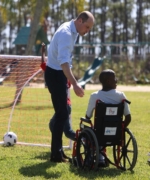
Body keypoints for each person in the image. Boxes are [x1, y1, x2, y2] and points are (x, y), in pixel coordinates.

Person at [44, 11, 95, 163]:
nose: (87, 31)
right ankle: (56, 154)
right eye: (87, 27)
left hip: (58, 74)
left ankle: (57, 151)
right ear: (79, 21)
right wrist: (75, 84)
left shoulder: (72, 29)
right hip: (55, 74)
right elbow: (64, 63)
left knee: (63, 113)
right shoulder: (66, 33)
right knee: (62, 114)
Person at [85, 69, 131, 166]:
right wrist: (120, 129)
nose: (116, 80)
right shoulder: (121, 96)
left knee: (87, 133)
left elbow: (88, 116)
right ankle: (101, 158)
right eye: (115, 78)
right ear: (108, 81)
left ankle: (98, 157)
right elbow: (128, 117)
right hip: (116, 133)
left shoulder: (95, 96)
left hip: (99, 133)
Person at [40, 43, 76, 142]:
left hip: (65, 105)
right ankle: (57, 146)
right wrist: (43, 52)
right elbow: (44, 64)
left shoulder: (62, 75)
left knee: (67, 131)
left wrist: (43, 52)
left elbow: (44, 64)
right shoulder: (58, 73)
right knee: (53, 125)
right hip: (64, 105)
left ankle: (85, 139)